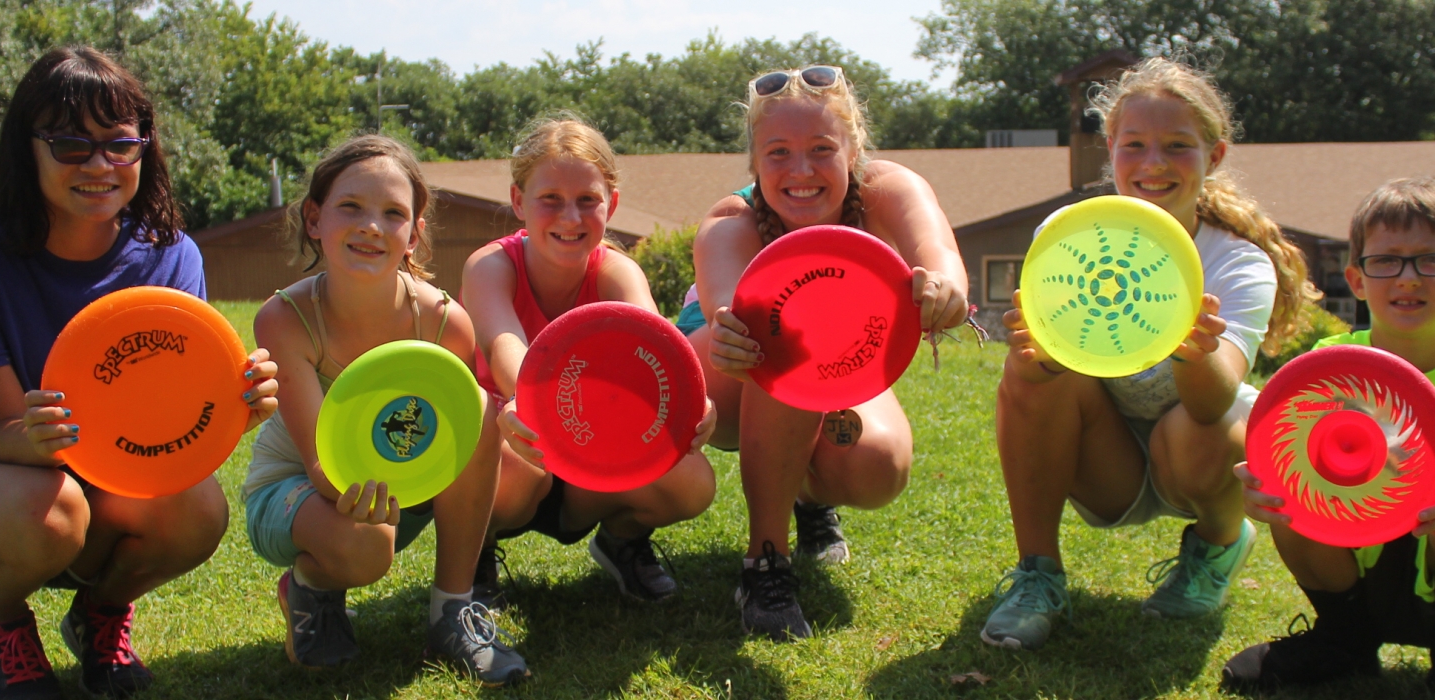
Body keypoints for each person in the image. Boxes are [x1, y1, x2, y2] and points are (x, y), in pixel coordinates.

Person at [0, 46, 278, 700]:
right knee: (51, 509)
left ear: (143, 150)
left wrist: (237, 401)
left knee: (197, 508)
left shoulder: (169, 257)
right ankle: (1, 626)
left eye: (119, 144)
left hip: (103, 487)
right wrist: (41, 436)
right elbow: (3, 429)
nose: (99, 164)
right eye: (72, 144)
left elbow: (172, 421)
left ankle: (101, 618)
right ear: (28, 148)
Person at [980, 57, 1319, 650]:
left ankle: (1217, 545)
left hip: (1197, 455)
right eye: (1133, 144)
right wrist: (1037, 357)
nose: (1153, 163)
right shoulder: (1069, 235)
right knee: (1025, 377)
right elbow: (1048, 370)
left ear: (1213, 157)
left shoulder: (1239, 263)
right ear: (1109, 148)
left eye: (1177, 146)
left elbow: (1213, 405)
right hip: (1107, 464)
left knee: (1217, 422)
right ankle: (1037, 575)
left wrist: (1191, 347)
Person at [1222, 176, 1435, 700]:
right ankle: (1345, 640)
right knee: (1286, 486)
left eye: (1433, 260)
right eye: (1386, 261)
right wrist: (1258, 487)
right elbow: (1275, 447)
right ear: (1357, 280)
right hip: (1355, 565)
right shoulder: (1326, 367)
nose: (1407, 278)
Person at [692, 65, 971, 640]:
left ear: (853, 151)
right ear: (754, 163)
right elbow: (731, 316)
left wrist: (945, 288)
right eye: (778, 153)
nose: (800, 171)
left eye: (821, 149)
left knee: (878, 468)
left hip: (830, 362)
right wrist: (726, 327)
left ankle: (805, 496)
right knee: (785, 345)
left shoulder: (889, 189)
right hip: (726, 362)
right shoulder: (730, 222)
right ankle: (764, 564)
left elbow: (939, 251)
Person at [245, 135, 525, 685]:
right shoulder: (285, 319)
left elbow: (449, 442)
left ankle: (454, 611)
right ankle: (313, 586)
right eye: (351, 206)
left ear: (414, 234)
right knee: (365, 547)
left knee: (479, 413)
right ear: (314, 218)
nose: (371, 226)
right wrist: (390, 491)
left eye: (393, 213)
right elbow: (325, 467)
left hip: (394, 482)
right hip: (297, 486)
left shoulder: (445, 322)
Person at [459, 116, 719, 606]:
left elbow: (658, 353)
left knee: (692, 484)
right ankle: (475, 555)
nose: (570, 218)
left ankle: (622, 540)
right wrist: (528, 401)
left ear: (612, 204)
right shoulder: (490, 266)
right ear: (518, 202)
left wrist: (697, 402)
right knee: (516, 470)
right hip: (516, 447)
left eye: (587, 200)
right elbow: (504, 346)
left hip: (589, 459)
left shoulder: (617, 271)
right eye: (550, 199)